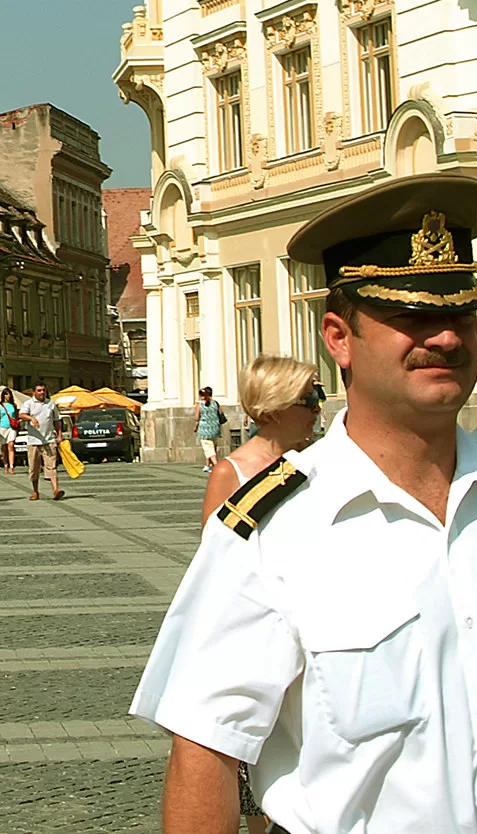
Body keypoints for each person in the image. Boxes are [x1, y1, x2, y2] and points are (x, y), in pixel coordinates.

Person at [134, 173, 477, 834]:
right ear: (339, 337)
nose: (446, 338)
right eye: (413, 317)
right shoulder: (272, 528)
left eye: (458, 314)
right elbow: (205, 753)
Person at [194, 356, 323, 834]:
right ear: (272, 408)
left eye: (318, 395)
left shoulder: (319, 464)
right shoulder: (232, 472)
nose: (318, 408)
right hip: (254, 635)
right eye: (308, 399)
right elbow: (214, 567)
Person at [20, 384, 64, 501]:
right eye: (39, 390)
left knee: (52, 466)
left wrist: (59, 435)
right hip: (33, 441)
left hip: (49, 440)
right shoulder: (28, 403)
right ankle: (35, 492)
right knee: (34, 469)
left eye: (44, 390)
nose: (42, 392)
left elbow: (57, 420)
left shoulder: (50, 403)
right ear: (34, 392)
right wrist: (31, 418)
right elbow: (21, 415)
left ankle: (56, 490)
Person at [194, 387, 225, 472]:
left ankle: (216, 465)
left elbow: (197, 418)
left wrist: (196, 427)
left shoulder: (200, 405)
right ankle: (207, 465)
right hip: (215, 428)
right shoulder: (215, 403)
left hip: (204, 430)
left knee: (209, 449)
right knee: (212, 447)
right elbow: (221, 413)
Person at [0, 384, 19, 472]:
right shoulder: (0, 405)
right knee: (4, 448)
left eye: (9, 394)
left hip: (11, 427)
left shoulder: (14, 405)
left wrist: (17, 422)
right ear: (3, 395)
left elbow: (16, 416)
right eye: (6, 394)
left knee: (11, 445)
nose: (8, 396)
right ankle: (5, 464)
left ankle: (12, 466)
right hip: (2, 427)